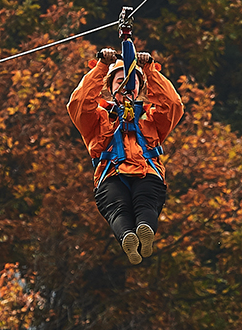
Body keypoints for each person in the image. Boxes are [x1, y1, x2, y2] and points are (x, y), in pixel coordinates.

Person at [68, 48, 184, 264]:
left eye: (131, 83)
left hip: (146, 170)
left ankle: (143, 231)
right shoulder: (97, 119)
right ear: (110, 88)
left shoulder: (150, 118)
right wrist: (102, 66)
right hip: (110, 173)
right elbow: (79, 104)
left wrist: (149, 69)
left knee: (146, 202)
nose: (126, 87)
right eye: (120, 82)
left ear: (140, 88)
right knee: (117, 207)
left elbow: (173, 105)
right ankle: (129, 237)